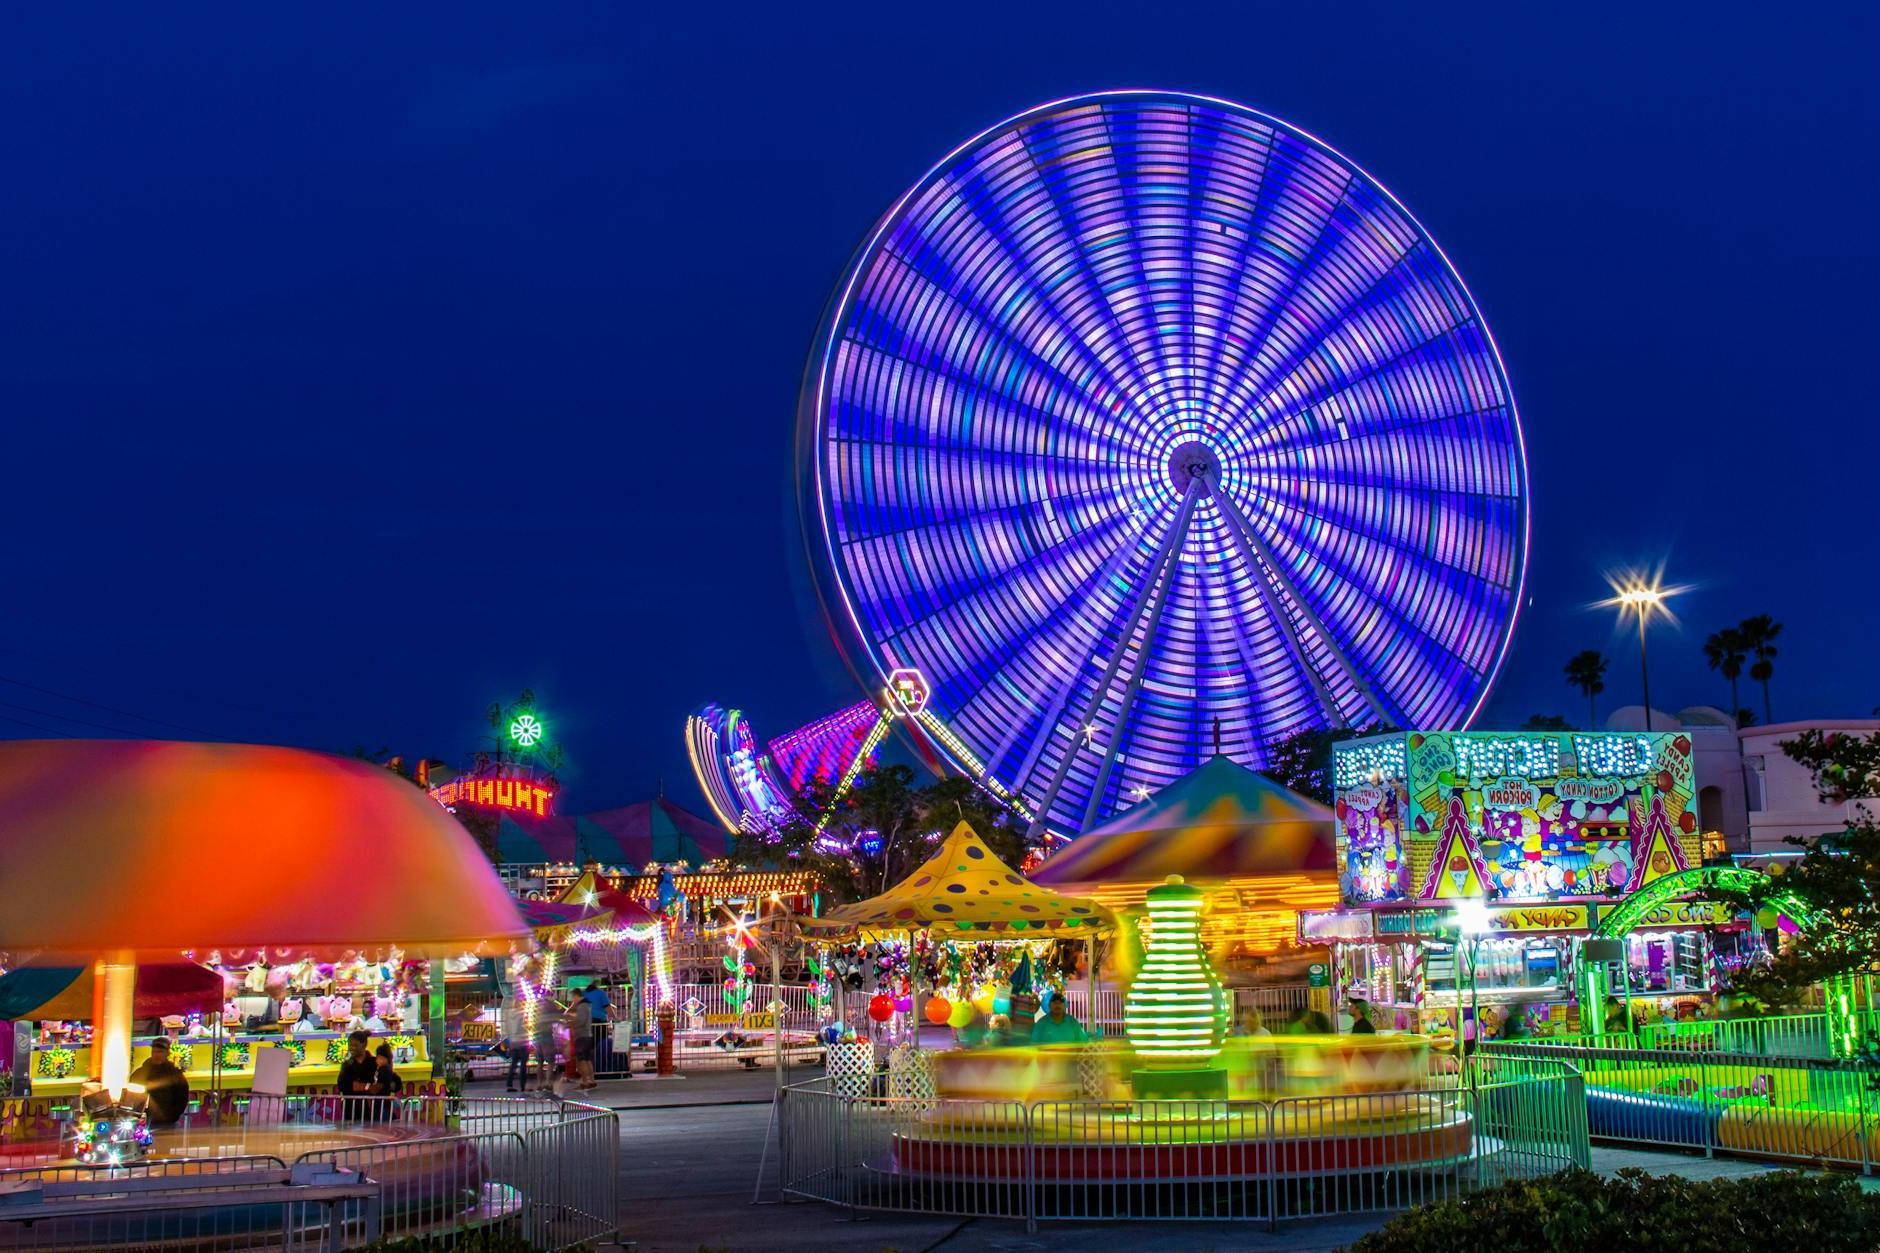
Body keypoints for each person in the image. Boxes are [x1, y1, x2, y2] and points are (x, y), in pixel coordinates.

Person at [127, 1037, 189, 1127]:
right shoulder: (140, 1073)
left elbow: (182, 1098)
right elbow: (130, 1097)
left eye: (160, 1052)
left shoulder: (175, 1075)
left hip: (168, 1123)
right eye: (154, 1052)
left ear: (167, 1053)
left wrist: (172, 1115)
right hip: (143, 1122)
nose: (156, 1055)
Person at [335, 1030, 378, 1119]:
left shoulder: (374, 1062)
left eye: (355, 1045)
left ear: (364, 1045)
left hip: (370, 1109)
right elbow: (342, 1085)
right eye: (350, 1045)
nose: (352, 1048)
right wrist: (367, 1086)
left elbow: (380, 1085)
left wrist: (362, 1086)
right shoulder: (347, 1064)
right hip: (350, 1109)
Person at [567, 993, 595, 1090]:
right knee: (587, 1059)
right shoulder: (587, 1005)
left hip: (582, 1035)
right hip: (587, 1035)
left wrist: (571, 1024)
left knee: (581, 1060)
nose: (572, 1001)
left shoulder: (582, 1006)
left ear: (576, 996)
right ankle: (591, 1080)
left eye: (573, 998)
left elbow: (581, 1021)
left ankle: (585, 1081)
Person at [501, 995, 529, 1093]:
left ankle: (509, 1084)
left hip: (513, 1041)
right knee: (523, 1066)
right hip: (523, 1041)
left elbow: (506, 1028)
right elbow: (526, 1026)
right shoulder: (523, 1014)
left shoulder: (508, 1014)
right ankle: (522, 1086)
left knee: (513, 1064)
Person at [370, 1042, 404, 1111]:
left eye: (379, 1058)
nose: (377, 1060)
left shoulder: (384, 1070)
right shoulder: (384, 1069)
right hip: (383, 1102)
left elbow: (385, 1085)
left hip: (382, 1103)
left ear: (384, 1059)